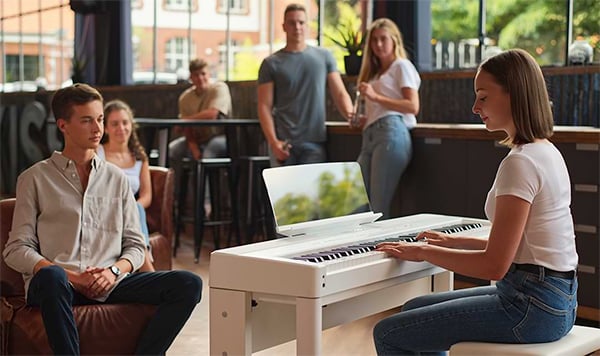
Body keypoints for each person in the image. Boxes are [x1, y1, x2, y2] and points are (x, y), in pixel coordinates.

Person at [372, 49, 578, 355]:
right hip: (554, 299)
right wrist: (450, 243)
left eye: (482, 97)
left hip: (531, 307)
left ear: (513, 95)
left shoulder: (521, 163)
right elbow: (516, 249)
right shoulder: (545, 150)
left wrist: (423, 252)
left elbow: (495, 265)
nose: (474, 107)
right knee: (413, 307)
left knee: (389, 332)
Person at [3, 83, 203, 355]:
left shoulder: (116, 179)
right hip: (59, 285)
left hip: (110, 281)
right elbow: (16, 249)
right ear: (63, 125)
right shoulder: (34, 178)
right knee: (51, 276)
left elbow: (135, 244)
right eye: (86, 120)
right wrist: (72, 276)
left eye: (99, 119)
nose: (97, 128)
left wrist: (114, 271)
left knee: (188, 284)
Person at [257, 3, 354, 167]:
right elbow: (264, 106)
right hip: (284, 143)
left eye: (301, 22)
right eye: (292, 22)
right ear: (284, 26)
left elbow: (340, 94)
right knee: (284, 192)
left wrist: (352, 117)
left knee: (312, 193)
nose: (297, 27)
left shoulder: (324, 57)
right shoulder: (271, 63)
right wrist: (273, 142)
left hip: (315, 141)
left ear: (307, 25)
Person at [353, 18, 420, 219]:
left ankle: (382, 249)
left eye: (383, 39)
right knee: (356, 201)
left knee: (377, 206)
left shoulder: (402, 66)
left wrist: (375, 97)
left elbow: (412, 106)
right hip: (371, 135)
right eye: (374, 40)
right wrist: (365, 118)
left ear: (394, 40)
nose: (378, 44)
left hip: (391, 133)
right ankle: (359, 249)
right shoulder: (375, 73)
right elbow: (381, 108)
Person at [98, 99, 154, 272]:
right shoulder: (96, 152)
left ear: (131, 125)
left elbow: (146, 196)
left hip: (131, 214)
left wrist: (131, 207)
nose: (121, 128)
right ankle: (148, 267)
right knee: (134, 211)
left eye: (125, 122)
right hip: (104, 209)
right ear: (106, 128)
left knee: (136, 209)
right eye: (114, 124)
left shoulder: (140, 157)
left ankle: (141, 263)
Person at [168, 58, 232, 163]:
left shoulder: (219, 88)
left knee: (208, 153)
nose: (200, 78)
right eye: (196, 75)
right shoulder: (185, 98)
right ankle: (175, 179)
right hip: (197, 139)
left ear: (209, 74)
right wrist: (194, 148)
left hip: (221, 136)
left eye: (203, 74)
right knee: (173, 150)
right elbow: (186, 128)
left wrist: (184, 121)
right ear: (191, 77)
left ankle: (207, 179)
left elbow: (212, 115)